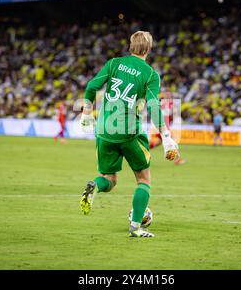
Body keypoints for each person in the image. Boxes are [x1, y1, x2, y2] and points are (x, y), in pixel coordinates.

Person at [79, 31, 179, 238]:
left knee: (109, 179)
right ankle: (135, 227)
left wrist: (86, 113)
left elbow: (91, 86)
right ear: (149, 49)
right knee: (143, 180)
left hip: (104, 131)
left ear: (130, 46)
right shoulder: (150, 74)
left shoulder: (114, 63)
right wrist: (167, 137)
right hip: (128, 132)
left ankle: (94, 186)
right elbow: (153, 105)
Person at [149, 91, 186, 165]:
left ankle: (142, 151)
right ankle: (177, 159)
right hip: (163, 127)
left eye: (169, 95)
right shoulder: (162, 104)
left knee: (159, 142)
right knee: (171, 141)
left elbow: (171, 115)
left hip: (164, 126)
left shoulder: (170, 104)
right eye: (167, 95)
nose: (169, 96)